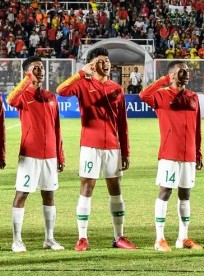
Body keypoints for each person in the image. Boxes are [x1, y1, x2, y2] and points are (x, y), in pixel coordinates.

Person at [57, 47, 137, 251]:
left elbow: (122, 123)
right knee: (87, 188)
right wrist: (82, 72)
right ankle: (82, 237)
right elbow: (61, 91)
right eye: (101, 61)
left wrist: (125, 151)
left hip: (112, 146)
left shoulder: (116, 88)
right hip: (90, 145)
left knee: (115, 189)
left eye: (108, 61)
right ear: (93, 65)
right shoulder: (83, 84)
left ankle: (119, 237)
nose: (107, 64)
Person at [139, 61, 203, 252]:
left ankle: (182, 238)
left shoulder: (193, 97)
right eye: (182, 71)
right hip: (169, 153)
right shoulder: (161, 95)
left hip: (189, 155)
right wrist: (166, 79)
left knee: (185, 194)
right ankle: (160, 239)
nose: (187, 74)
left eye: (188, 71)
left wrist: (197, 152)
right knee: (165, 191)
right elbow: (143, 95)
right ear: (173, 75)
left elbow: (197, 128)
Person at [7, 56, 64, 252]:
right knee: (22, 194)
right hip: (29, 154)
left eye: (41, 68)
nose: (40, 71)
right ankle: (17, 240)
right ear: (27, 72)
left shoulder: (51, 97)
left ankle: (49, 238)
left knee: (49, 194)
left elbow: (57, 129)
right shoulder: (23, 95)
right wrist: (26, 80)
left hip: (50, 155)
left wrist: (60, 155)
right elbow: (10, 99)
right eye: (35, 68)